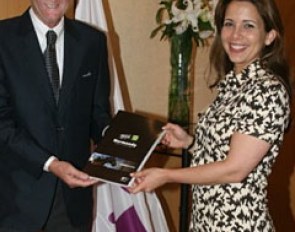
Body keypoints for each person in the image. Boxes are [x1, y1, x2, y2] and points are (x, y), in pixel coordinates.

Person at [129, 0, 292, 231]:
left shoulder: (267, 90)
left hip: (237, 225)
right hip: (206, 222)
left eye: (248, 26)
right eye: (229, 23)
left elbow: (236, 169)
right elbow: (225, 151)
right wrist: (189, 142)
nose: (236, 35)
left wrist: (166, 175)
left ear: (269, 36)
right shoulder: (233, 85)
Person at [0, 0, 111, 231]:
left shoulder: (93, 41)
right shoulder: (3, 39)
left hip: (73, 203)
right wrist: (51, 164)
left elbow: (97, 113)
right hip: (14, 201)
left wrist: (118, 142)